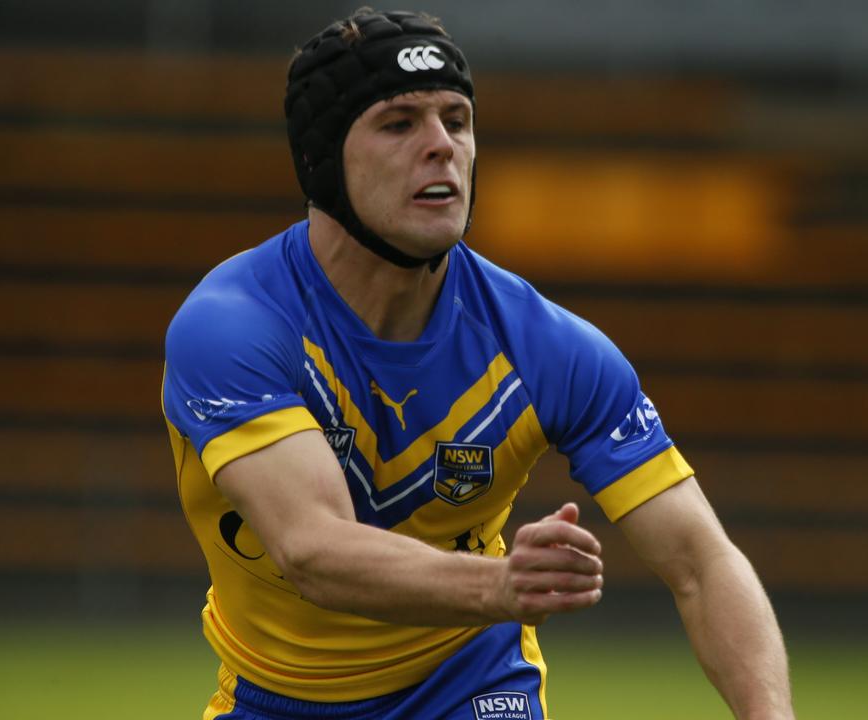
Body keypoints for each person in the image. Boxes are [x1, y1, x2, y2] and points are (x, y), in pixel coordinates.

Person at [162, 8, 793, 719]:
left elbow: (704, 565)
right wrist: (502, 587)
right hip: (272, 698)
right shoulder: (234, 326)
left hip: (469, 682)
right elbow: (314, 553)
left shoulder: (546, 347)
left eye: (456, 121)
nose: (441, 146)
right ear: (322, 158)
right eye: (399, 123)